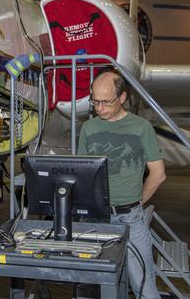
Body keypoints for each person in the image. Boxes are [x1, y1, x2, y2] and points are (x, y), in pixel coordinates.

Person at [78, 70, 166, 299]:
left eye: (106, 102)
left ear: (122, 97)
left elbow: (158, 174)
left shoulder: (141, 128)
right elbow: (82, 173)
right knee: (93, 287)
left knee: (144, 288)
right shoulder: (89, 128)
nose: (99, 108)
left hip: (130, 218)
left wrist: (136, 202)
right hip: (96, 219)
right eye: (95, 101)